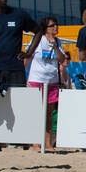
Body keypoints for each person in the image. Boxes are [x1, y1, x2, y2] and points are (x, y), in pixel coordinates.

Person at [23, 16, 69, 151]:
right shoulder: (38, 40)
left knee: (49, 113)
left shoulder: (58, 42)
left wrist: (55, 47)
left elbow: (61, 59)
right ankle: (35, 143)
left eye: (56, 25)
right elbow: (28, 57)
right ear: (46, 28)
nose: (56, 27)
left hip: (52, 81)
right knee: (36, 112)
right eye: (52, 25)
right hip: (37, 79)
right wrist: (22, 73)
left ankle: (48, 143)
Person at [0, 0, 38, 92]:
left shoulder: (19, 15)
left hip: (15, 69)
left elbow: (39, 31)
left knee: (19, 103)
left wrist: (29, 52)